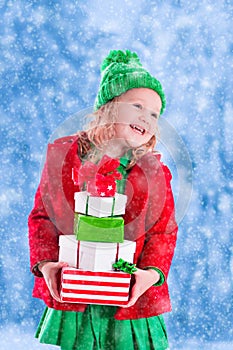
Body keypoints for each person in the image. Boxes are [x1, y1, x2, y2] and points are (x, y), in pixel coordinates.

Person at [28, 49, 178, 350]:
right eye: (137, 106)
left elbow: (164, 232)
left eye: (154, 113)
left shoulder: (155, 173)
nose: (146, 118)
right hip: (77, 293)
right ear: (109, 108)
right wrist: (47, 265)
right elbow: (42, 218)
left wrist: (149, 274)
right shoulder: (65, 158)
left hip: (129, 303)